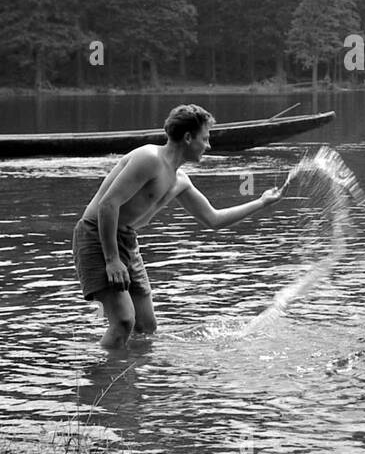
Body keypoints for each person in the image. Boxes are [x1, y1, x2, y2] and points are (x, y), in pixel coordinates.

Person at [72, 103, 285, 349]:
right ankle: (100, 380)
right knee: (123, 322)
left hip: (127, 240)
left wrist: (262, 202)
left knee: (146, 327)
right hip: (97, 234)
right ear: (187, 137)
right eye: (205, 139)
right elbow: (108, 205)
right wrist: (111, 260)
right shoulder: (149, 158)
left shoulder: (180, 180)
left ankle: (130, 379)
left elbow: (213, 219)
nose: (208, 145)